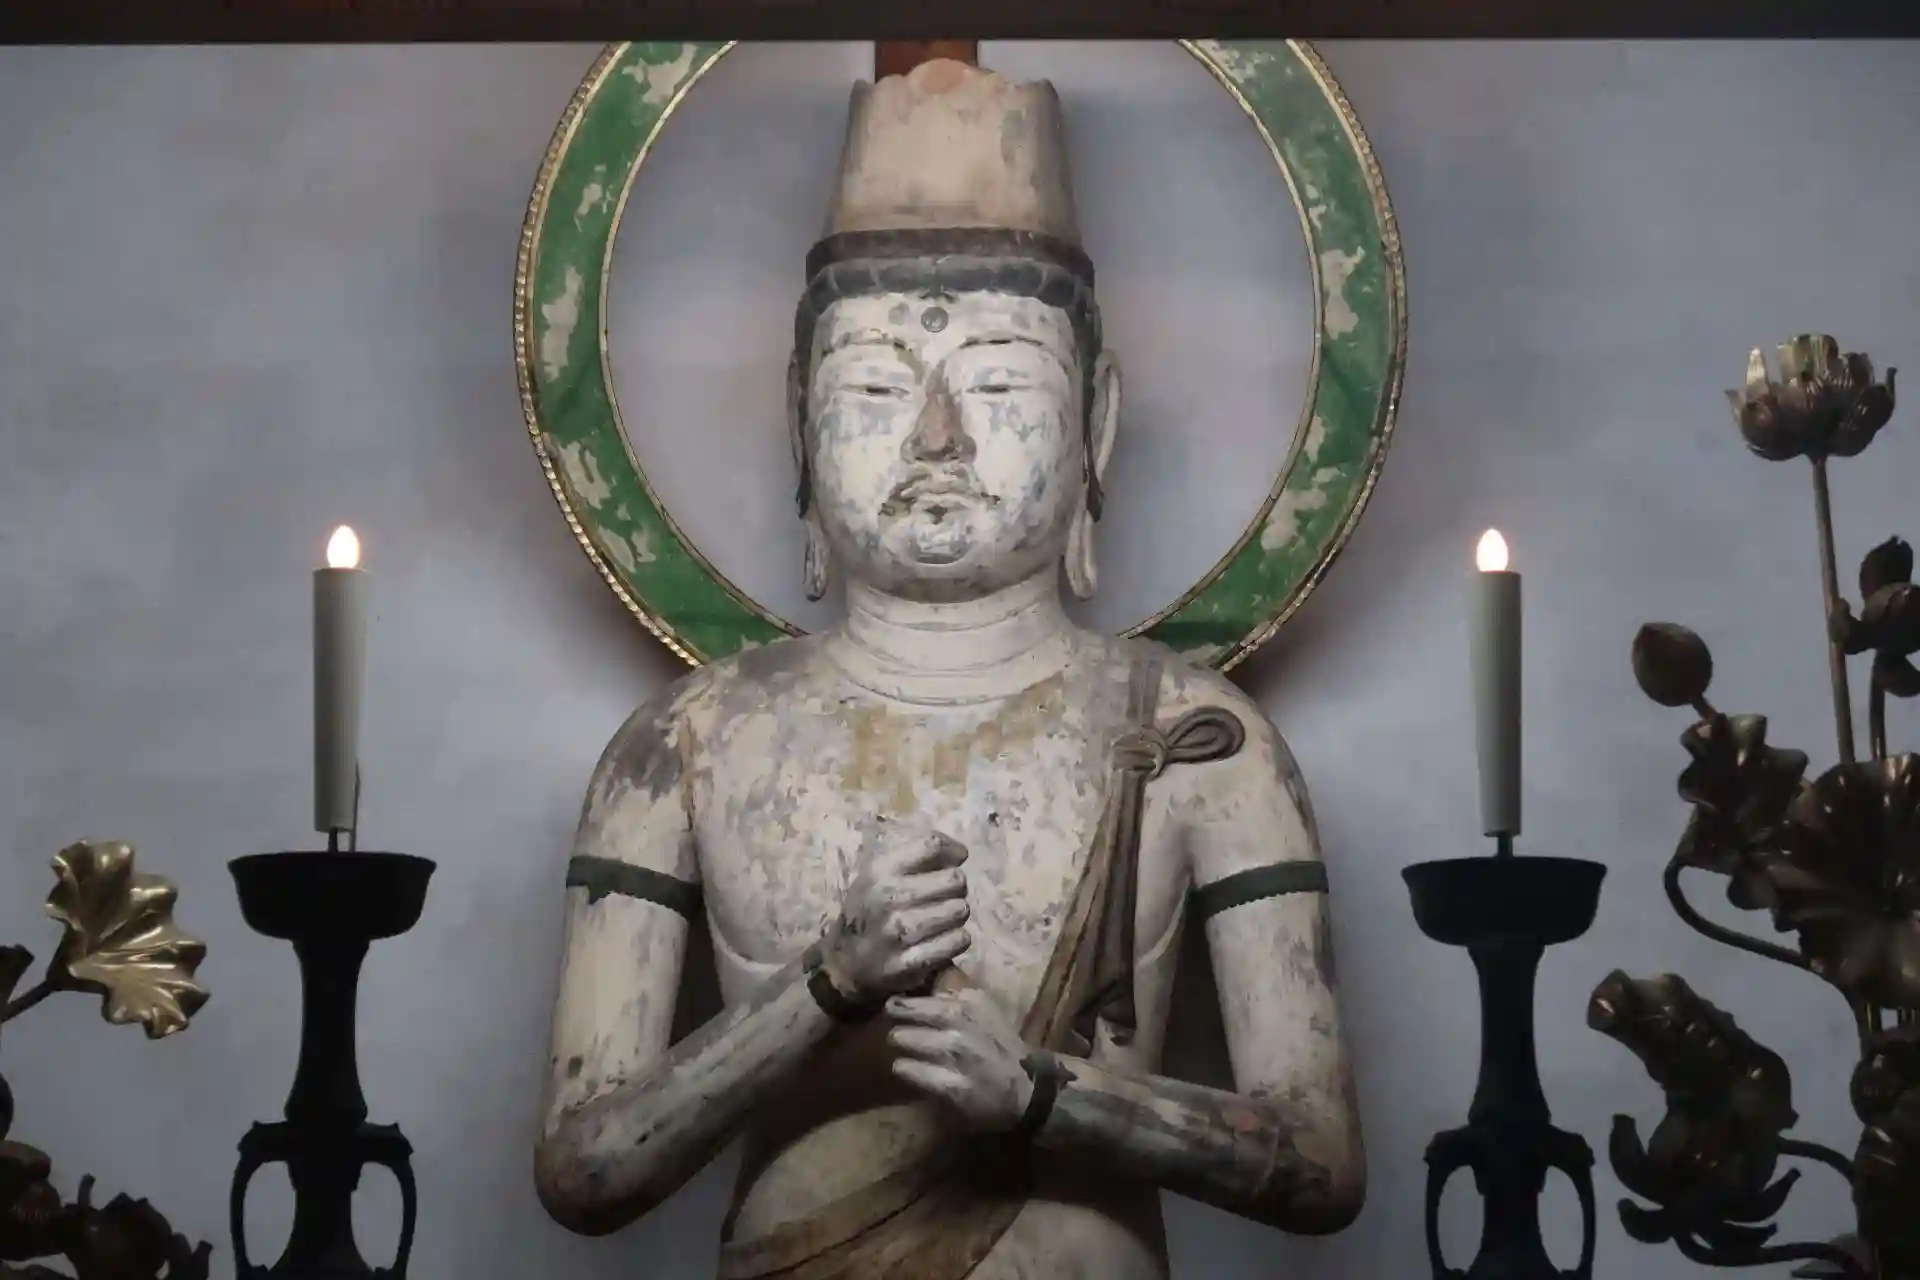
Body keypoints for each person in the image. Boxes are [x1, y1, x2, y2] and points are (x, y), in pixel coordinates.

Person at [534, 58, 1364, 1280]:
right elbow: (584, 1164)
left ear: (1097, 423)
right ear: (799, 421)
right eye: (874, 384)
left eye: (1000, 380)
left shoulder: (1203, 742)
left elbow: (1322, 1157)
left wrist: (1048, 1094)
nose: (936, 435)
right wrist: (827, 985)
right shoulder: (683, 745)